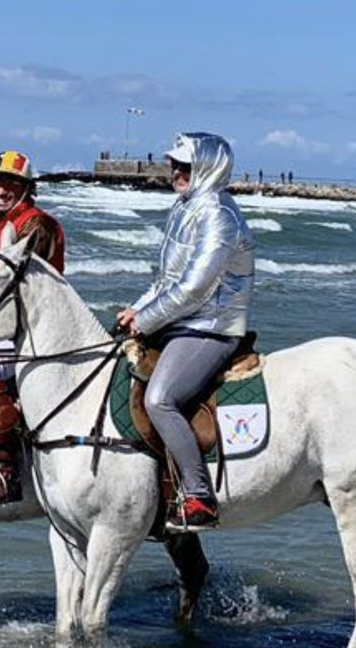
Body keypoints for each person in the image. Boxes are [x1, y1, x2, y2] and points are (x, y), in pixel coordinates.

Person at [116, 133, 255, 531]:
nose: (175, 171)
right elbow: (166, 280)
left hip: (211, 327)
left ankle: (198, 496)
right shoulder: (185, 206)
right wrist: (136, 310)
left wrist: (147, 320)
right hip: (182, 322)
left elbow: (195, 287)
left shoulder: (218, 215)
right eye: (173, 164)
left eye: (185, 166)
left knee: (160, 399)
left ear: (208, 168)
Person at [0, 149, 66, 508]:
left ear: (26, 188)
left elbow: (14, 289)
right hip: (5, 326)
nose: (0, 191)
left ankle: (4, 475)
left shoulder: (35, 226)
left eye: (9, 184)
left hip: (31, 330)